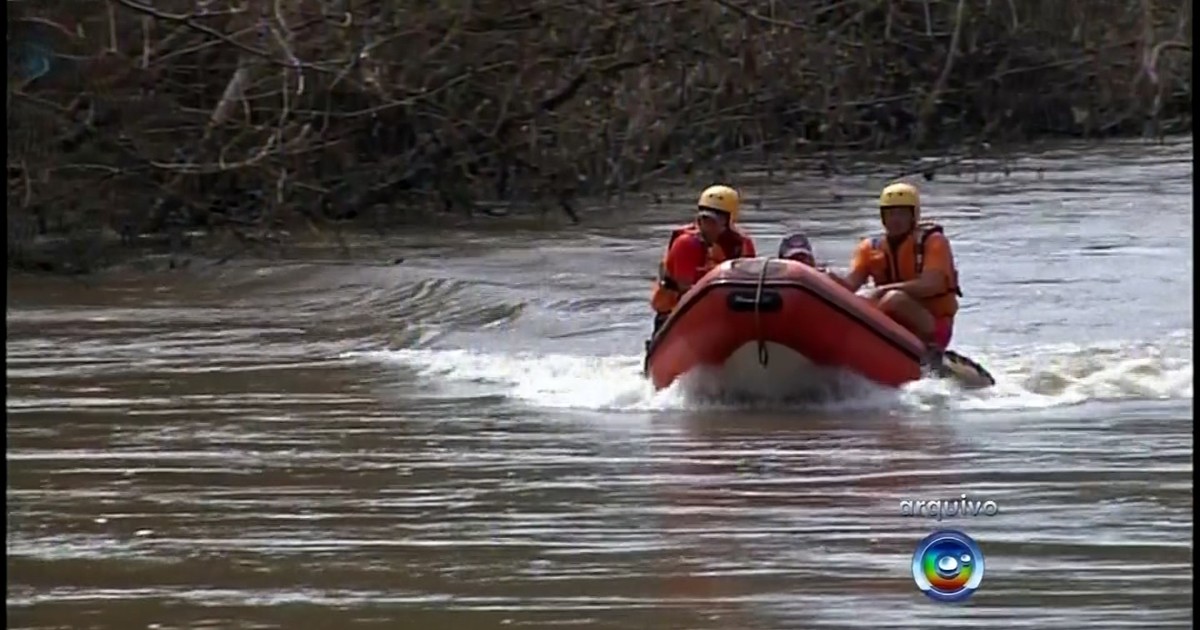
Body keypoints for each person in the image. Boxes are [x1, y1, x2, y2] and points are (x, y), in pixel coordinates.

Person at [834, 181, 963, 368]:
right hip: (890, 323)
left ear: (914, 216)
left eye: (902, 214)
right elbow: (850, 285)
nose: (895, 219)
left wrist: (881, 290)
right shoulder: (871, 248)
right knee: (865, 300)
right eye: (890, 214)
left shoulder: (933, 242)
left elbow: (931, 284)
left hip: (932, 326)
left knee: (895, 299)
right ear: (882, 217)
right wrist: (827, 277)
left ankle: (930, 354)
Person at [649, 184, 758, 335]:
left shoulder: (742, 244)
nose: (706, 225)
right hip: (677, 312)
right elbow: (685, 289)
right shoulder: (686, 244)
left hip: (724, 312)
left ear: (728, 221)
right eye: (704, 219)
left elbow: (751, 281)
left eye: (714, 220)